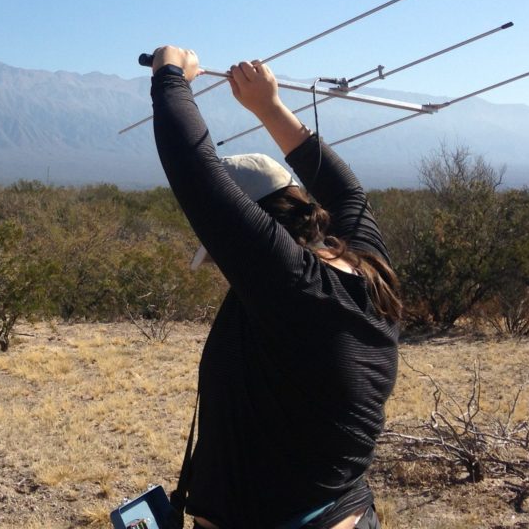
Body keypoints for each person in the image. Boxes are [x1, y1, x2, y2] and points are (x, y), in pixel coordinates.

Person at [149, 46, 401, 529]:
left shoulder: (290, 286)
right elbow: (348, 192)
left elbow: (194, 170)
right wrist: (269, 107)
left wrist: (170, 77)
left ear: (259, 226)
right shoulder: (364, 265)